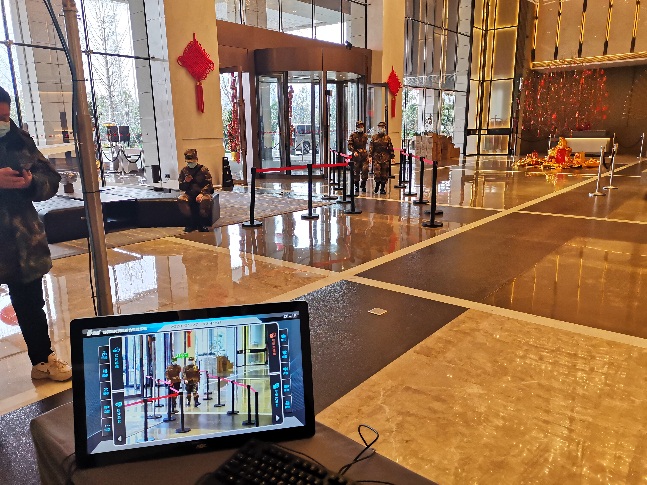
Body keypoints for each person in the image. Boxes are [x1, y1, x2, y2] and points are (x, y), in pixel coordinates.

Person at [0, 86, 71, 381]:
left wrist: (30, 182)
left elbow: (50, 178)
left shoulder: (18, 139)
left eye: (5, 117)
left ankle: (42, 360)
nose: (3, 123)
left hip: (21, 243)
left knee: (31, 306)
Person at [178, 149, 214, 232]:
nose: (190, 163)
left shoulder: (203, 170)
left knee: (205, 200)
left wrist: (202, 193)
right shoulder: (184, 171)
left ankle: (202, 223)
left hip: (202, 193)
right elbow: (181, 187)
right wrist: (186, 182)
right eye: (188, 162)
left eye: (192, 161)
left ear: (196, 160)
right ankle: (191, 223)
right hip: (190, 193)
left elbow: (209, 184)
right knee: (181, 199)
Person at [348, 120, 369, 194]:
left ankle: (363, 185)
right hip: (356, 156)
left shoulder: (365, 135)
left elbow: (367, 145)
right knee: (356, 172)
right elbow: (349, 145)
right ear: (357, 127)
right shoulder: (353, 135)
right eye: (359, 126)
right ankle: (356, 186)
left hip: (364, 155)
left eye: (362, 126)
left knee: (365, 170)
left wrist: (369, 155)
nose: (361, 128)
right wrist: (354, 151)